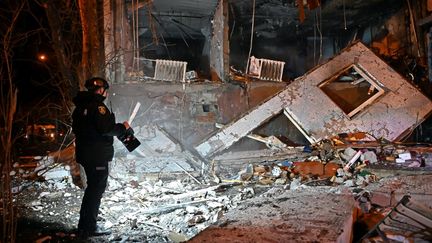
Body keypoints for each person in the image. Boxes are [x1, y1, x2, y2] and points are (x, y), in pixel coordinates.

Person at [71, 77, 129, 237]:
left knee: (92, 189)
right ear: (101, 90)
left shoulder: (80, 107)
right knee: (95, 190)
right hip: (97, 156)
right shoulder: (98, 107)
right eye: (106, 90)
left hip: (86, 154)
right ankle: (88, 228)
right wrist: (122, 128)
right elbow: (106, 129)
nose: (106, 94)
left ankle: (85, 225)